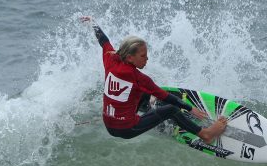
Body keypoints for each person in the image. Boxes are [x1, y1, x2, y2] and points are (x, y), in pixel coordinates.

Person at [80, 16, 227, 143]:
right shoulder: (139, 78)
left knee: (143, 94)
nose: (147, 59)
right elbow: (166, 97)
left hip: (109, 124)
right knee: (171, 109)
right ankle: (205, 134)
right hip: (127, 129)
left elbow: (103, 41)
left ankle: (150, 110)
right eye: (143, 56)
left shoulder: (110, 59)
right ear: (130, 57)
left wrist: (94, 24)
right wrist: (191, 108)